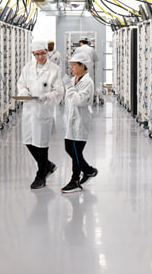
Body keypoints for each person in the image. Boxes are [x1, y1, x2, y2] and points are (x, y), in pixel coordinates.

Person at [16, 40, 64, 189]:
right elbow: (21, 84)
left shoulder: (54, 69)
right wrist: (24, 93)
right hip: (29, 109)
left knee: (42, 144)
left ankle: (41, 175)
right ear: (33, 54)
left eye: (43, 53)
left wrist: (46, 97)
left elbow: (59, 91)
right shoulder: (27, 68)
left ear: (47, 52)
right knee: (28, 141)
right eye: (37, 54)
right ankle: (48, 165)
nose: (41, 57)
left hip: (43, 110)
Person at [60, 50, 98, 193]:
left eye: (74, 65)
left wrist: (69, 87)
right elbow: (68, 100)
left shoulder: (87, 82)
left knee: (76, 151)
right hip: (70, 121)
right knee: (69, 148)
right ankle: (88, 170)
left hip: (81, 121)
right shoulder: (73, 79)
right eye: (71, 65)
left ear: (83, 66)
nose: (72, 68)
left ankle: (75, 180)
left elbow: (79, 100)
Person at [72, 38, 101, 103]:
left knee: (79, 84)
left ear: (81, 42)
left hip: (80, 70)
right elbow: (96, 59)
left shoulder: (77, 49)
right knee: (89, 84)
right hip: (90, 70)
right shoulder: (92, 49)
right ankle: (91, 98)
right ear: (87, 42)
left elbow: (73, 59)